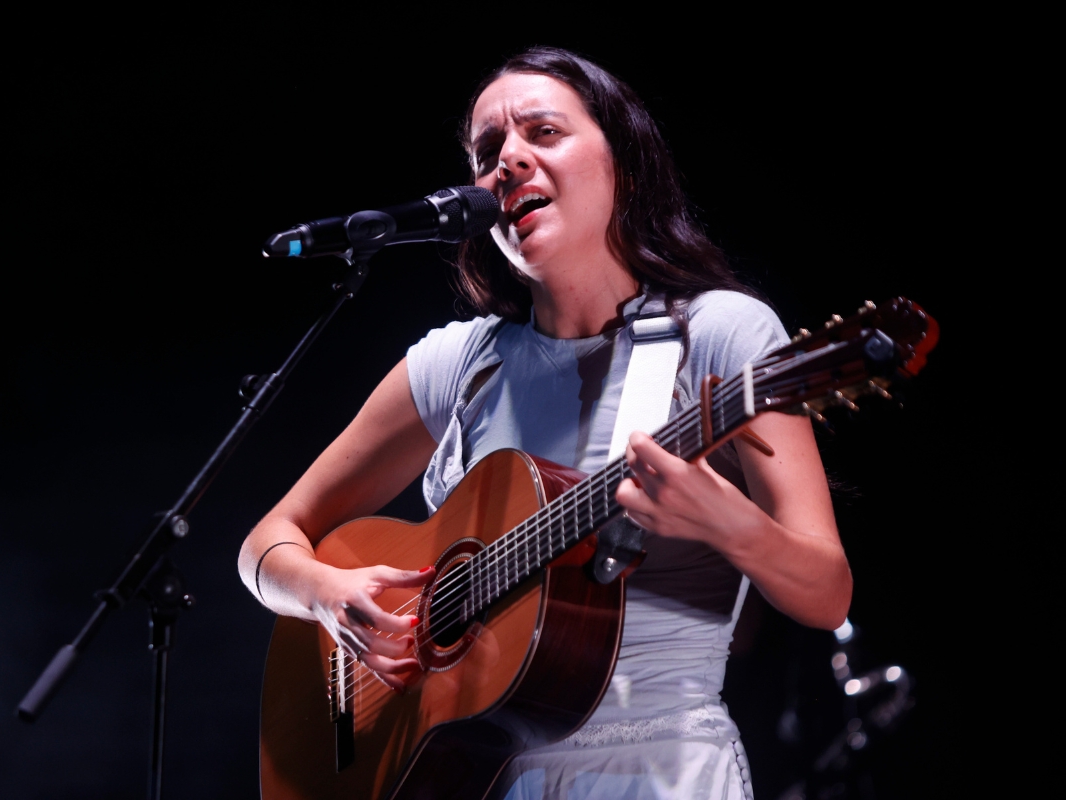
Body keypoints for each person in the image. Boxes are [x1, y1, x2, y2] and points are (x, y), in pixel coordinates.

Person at [239, 47, 851, 800]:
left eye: (544, 133)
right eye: (487, 150)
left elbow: (828, 593)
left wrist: (730, 522)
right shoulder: (455, 364)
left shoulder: (723, 334)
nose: (509, 162)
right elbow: (264, 546)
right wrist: (326, 597)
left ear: (622, 161)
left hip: (663, 776)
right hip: (476, 778)